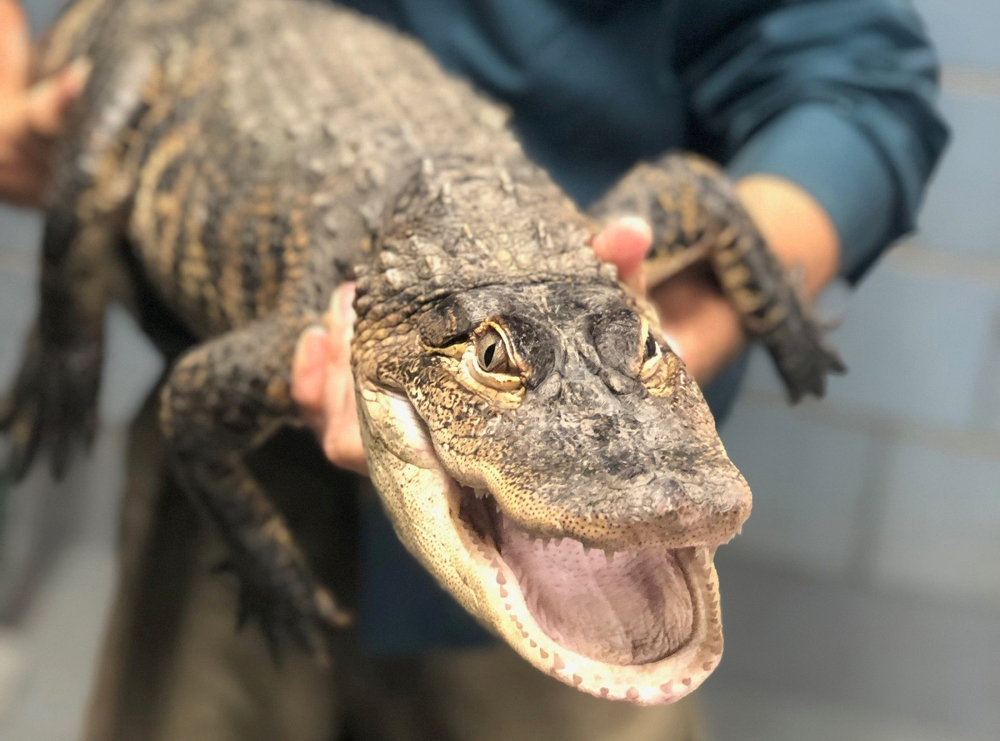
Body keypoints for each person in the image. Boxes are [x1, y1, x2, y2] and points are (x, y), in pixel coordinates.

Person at [0, 0, 947, 739]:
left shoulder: (621, 249)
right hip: (252, 455)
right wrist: (67, 333)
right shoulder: (317, 336)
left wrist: (750, 315)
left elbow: (830, 91)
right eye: (493, 363)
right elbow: (200, 407)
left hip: (571, 476)